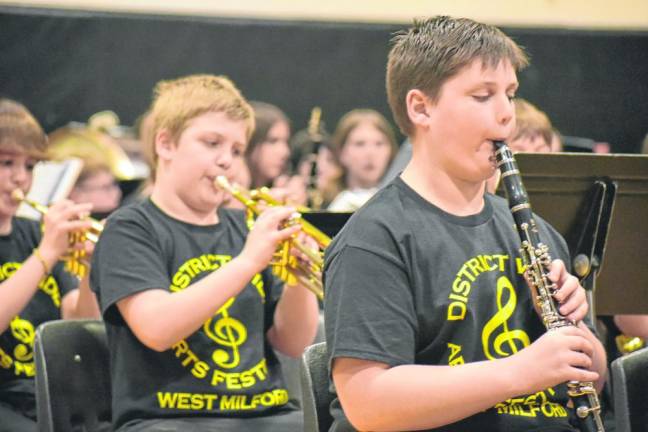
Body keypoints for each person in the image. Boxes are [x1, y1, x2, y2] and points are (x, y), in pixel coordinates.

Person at [324, 16, 607, 432]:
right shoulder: (376, 238)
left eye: (510, 94)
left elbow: (593, 380)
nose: (506, 115)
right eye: (482, 96)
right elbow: (369, 403)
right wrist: (521, 371)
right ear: (421, 107)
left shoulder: (535, 232)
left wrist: (574, 330)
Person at [90, 74, 320, 432]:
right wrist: (248, 262)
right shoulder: (130, 228)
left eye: (236, 150)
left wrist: (298, 279)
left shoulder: (244, 227)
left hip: (267, 414)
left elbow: (292, 343)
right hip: (167, 419)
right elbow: (158, 328)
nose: (226, 160)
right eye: (212, 143)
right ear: (165, 144)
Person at [0, 98, 100, 432]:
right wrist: (46, 253)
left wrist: (88, 270)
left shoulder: (35, 234)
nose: (20, 179)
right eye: (6, 163)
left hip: (49, 392)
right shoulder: (44, 244)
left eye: (29, 167)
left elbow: (80, 322)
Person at [327, 109, 397, 212]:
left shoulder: (403, 204)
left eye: (379, 144)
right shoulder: (321, 201)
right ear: (341, 152)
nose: (370, 153)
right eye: (360, 144)